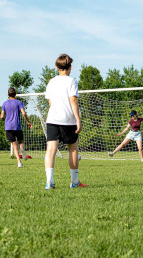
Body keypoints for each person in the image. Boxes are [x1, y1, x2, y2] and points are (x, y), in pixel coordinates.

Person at [44, 54, 87, 190]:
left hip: (52, 119)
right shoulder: (71, 81)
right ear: (70, 67)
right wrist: (78, 119)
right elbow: (73, 99)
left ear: (57, 67)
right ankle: (74, 182)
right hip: (68, 120)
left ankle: (49, 182)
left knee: (51, 150)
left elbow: (50, 101)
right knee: (73, 150)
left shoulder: (51, 81)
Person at [0, 87, 32, 168]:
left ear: (8, 95)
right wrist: (28, 122)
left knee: (14, 145)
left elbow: (1, 116)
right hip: (17, 126)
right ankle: (22, 149)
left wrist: (4, 118)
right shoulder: (19, 103)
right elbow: (24, 114)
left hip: (8, 127)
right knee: (20, 142)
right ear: (15, 94)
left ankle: (19, 163)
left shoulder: (4, 103)